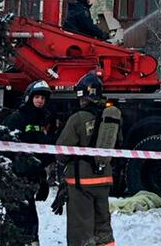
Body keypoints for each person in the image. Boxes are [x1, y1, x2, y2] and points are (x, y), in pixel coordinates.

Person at [55, 71, 120, 246]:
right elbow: (118, 143)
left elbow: (62, 151)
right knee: (103, 228)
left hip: (81, 181)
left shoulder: (77, 118)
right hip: (104, 179)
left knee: (81, 229)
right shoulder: (110, 118)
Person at [2, 80, 55, 246]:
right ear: (29, 97)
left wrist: (42, 179)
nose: (40, 100)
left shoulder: (41, 120)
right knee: (18, 220)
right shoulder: (17, 118)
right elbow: (3, 146)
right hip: (16, 180)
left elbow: (40, 153)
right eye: (37, 96)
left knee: (30, 221)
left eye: (43, 98)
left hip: (30, 180)